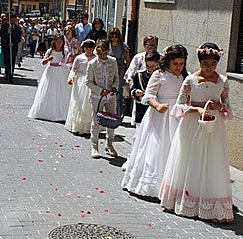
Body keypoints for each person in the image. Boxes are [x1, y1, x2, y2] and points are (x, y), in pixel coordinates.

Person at [160, 43, 234, 223]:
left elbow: (228, 109)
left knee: (212, 161)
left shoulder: (222, 82)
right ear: (200, 62)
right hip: (192, 125)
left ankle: (211, 203)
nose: (209, 68)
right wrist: (195, 109)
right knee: (190, 159)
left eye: (213, 63)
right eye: (205, 63)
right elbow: (178, 107)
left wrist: (219, 106)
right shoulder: (190, 80)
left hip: (213, 127)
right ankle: (185, 199)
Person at [121, 46, 185, 198]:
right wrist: (157, 105)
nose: (178, 67)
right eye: (175, 63)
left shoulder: (184, 76)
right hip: (159, 117)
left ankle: (172, 184)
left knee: (174, 148)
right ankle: (152, 184)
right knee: (157, 149)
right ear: (168, 62)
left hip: (176, 116)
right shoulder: (159, 75)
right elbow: (148, 95)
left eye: (181, 64)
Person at [86, 38, 120, 158]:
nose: (102, 56)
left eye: (105, 53)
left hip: (111, 96)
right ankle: (94, 145)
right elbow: (88, 82)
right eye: (100, 53)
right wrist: (100, 91)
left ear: (108, 51)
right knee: (96, 120)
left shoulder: (113, 61)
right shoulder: (92, 63)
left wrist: (114, 87)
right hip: (97, 96)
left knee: (112, 120)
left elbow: (116, 77)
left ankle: (109, 142)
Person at [28, 34, 72, 121]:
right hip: (51, 71)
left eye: (61, 41)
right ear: (54, 42)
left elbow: (69, 62)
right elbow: (43, 62)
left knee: (62, 91)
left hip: (62, 72)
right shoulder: (50, 51)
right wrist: (48, 59)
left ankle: (62, 112)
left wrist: (65, 63)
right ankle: (49, 111)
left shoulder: (66, 51)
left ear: (63, 42)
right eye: (57, 41)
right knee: (51, 91)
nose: (59, 43)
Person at [65, 39, 96, 134]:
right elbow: (73, 70)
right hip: (80, 82)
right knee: (78, 102)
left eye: (90, 47)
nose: (88, 49)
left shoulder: (96, 58)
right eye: (86, 47)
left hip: (91, 82)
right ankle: (77, 126)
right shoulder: (79, 58)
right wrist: (71, 78)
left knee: (89, 104)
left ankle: (88, 127)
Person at [108, 27, 130, 95]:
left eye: (116, 36)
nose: (114, 38)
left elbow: (128, 60)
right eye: (112, 36)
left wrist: (128, 73)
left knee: (118, 88)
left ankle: (118, 105)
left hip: (120, 69)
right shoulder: (107, 45)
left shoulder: (123, 46)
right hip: (109, 68)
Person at [0, 14, 22, 83]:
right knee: (7, 60)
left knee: (12, 61)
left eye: (14, 20)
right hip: (6, 47)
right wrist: (7, 33)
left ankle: (11, 74)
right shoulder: (4, 26)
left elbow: (18, 38)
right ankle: (7, 73)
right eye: (11, 20)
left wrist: (13, 43)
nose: (13, 21)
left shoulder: (18, 28)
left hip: (13, 47)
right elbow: (2, 36)